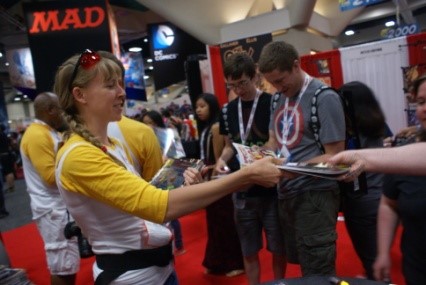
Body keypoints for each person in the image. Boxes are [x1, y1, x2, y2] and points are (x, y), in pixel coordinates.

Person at [53, 49, 283, 285]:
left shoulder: (110, 145)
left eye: (120, 84)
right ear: (80, 95)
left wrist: (182, 183)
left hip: (156, 270)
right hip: (131, 277)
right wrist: (246, 176)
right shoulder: (79, 156)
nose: (122, 92)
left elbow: (144, 197)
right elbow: (155, 206)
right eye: (111, 86)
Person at [258, 41, 346, 276]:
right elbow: (273, 141)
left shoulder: (324, 97)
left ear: (296, 66)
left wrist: (293, 169)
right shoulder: (277, 98)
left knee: (317, 270)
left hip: (315, 195)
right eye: (272, 82)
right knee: (304, 265)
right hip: (285, 193)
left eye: (280, 80)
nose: (277, 87)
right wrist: (260, 157)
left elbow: (335, 156)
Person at [215, 53, 286, 285]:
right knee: (248, 250)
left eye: (242, 83)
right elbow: (229, 146)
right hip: (242, 190)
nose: (238, 89)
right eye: (232, 85)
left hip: (270, 188)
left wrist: (256, 157)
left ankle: (279, 283)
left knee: (278, 247)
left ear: (255, 77)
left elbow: (274, 142)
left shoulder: (271, 102)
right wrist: (221, 161)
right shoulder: (227, 111)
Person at [20, 92, 79, 285]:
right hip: (52, 209)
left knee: (67, 262)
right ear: (51, 110)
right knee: (63, 265)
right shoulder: (37, 135)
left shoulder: (48, 131)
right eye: (61, 108)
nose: (65, 113)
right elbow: (50, 177)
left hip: (58, 207)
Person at [373, 75, 426, 285]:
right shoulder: (404, 154)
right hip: (417, 268)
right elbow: (389, 203)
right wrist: (383, 251)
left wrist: (361, 158)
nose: (424, 109)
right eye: (421, 102)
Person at [338, 81, 388, 279]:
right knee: (376, 253)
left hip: (361, 200)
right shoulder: (376, 123)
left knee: (371, 257)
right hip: (381, 195)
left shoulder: (349, 131)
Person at [193, 93, 244, 276]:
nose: (198, 110)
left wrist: (210, 184)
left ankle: (234, 263)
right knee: (215, 223)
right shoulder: (207, 127)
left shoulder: (215, 127)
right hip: (211, 179)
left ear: (212, 106)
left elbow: (218, 159)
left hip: (218, 180)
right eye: (197, 106)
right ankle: (216, 262)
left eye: (202, 106)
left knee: (224, 222)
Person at [140, 110, 186, 255]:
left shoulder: (168, 134)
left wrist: (168, 161)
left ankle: (178, 244)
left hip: (168, 176)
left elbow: (178, 155)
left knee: (170, 213)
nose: (148, 126)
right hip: (149, 179)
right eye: (145, 122)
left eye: (151, 122)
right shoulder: (141, 137)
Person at [0, 125, 15, 193]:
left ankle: (10, 187)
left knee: (7, 172)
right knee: (10, 171)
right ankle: (11, 186)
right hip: (8, 154)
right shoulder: (5, 135)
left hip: (2, 155)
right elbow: (11, 143)